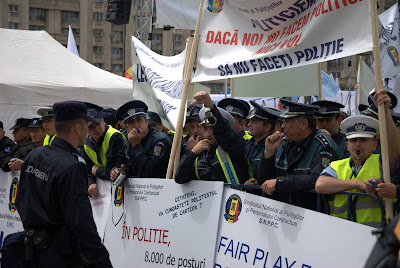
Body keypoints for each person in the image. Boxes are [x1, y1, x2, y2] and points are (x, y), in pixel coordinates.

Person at [16, 100, 113, 268]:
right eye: (86, 125)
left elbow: (21, 200)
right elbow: (82, 223)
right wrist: (102, 261)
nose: (87, 131)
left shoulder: (34, 155)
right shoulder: (72, 166)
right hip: (59, 254)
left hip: (32, 250)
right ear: (77, 128)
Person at [315, 90, 400, 227]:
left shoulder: (382, 162)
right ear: (347, 145)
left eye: (363, 140)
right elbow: (320, 185)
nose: (358, 144)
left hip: (374, 236)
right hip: (341, 233)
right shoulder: (337, 165)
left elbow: (393, 148)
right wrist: (357, 184)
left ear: (374, 145)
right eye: (353, 140)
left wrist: (385, 112)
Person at [257, 99, 340, 211]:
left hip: (314, 214)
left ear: (303, 124)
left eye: (287, 121)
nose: (283, 126)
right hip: (283, 214)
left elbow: (317, 179)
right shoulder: (282, 143)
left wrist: (280, 183)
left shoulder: (323, 145)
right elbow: (264, 181)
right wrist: (268, 153)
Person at [175, 91, 249, 185]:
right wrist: (192, 153)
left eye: (213, 129)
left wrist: (210, 105)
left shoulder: (234, 144)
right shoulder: (200, 150)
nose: (208, 134)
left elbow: (223, 130)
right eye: (205, 128)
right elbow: (179, 178)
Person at [111, 100, 172, 179]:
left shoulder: (160, 140)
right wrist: (117, 171)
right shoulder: (128, 141)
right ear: (126, 127)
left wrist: (136, 145)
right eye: (131, 123)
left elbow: (148, 173)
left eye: (139, 120)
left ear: (146, 122)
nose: (136, 126)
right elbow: (122, 164)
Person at [83, 109, 125, 196]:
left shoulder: (114, 136)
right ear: (86, 130)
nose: (96, 129)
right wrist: (90, 183)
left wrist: (97, 171)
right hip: (104, 193)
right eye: (91, 127)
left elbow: (113, 171)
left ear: (103, 121)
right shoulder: (85, 143)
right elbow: (87, 170)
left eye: (98, 124)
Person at [245, 101, 281, 180]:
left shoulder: (276, 147)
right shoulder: (247, 144)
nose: (249, 125)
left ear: (267, 127)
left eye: (254, 122)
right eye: (249, 121)